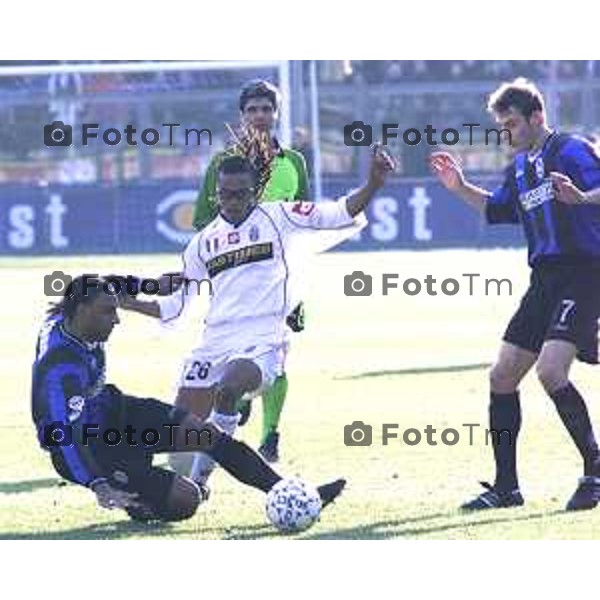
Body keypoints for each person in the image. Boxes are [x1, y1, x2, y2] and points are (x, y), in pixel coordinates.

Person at [120, 145, 395, 490]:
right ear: (215, 192)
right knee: (178, 437)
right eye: (224, 194)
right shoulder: (201, 245)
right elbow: (174, 308)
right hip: (213, 341)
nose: (231, 201)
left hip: (263, 338)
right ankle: (148, 490)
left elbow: (338, 212)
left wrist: (372, 184)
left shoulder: (281, 216)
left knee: (228, 391)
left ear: (255, 190)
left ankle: (202, 484)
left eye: (239, 193)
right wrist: (131, 304)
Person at [31, 276, 345, 523]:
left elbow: (110, 283)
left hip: (114, 412)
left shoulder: (75, 311)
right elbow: (66, 436)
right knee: (187, 500)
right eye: (108, 311)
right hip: (90, 447)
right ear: (83, 311)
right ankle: (139, 499)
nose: (117, 319)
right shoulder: (60, 369)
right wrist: (98, 482)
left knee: (207, 434)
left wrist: (151, 286)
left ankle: (289, 493)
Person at [430, 78, 600, 511]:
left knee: (550, 372)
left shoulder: (571, 150)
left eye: (511, 124)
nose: (505, 133)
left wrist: (582, 199)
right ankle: (506, 488)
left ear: (536, 118)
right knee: (502, 376)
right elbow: (496, 209)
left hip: (584, 272)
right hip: (544, 280)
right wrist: (458, 186)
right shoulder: (521, 167)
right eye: (501, 125)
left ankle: (595, 471)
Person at [192, 79, 311, 462]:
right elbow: (202, 222)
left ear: (276, 114)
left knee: (279, 349)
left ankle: (270, 435)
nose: (260, 116)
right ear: (241, 116)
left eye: (266, 109)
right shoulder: (221, 166)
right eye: (252, 110)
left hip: (282, 277)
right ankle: (237, 399)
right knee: (230, 356)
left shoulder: (293, 162)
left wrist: (300, 276)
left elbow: (304, 218)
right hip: (235, 280)